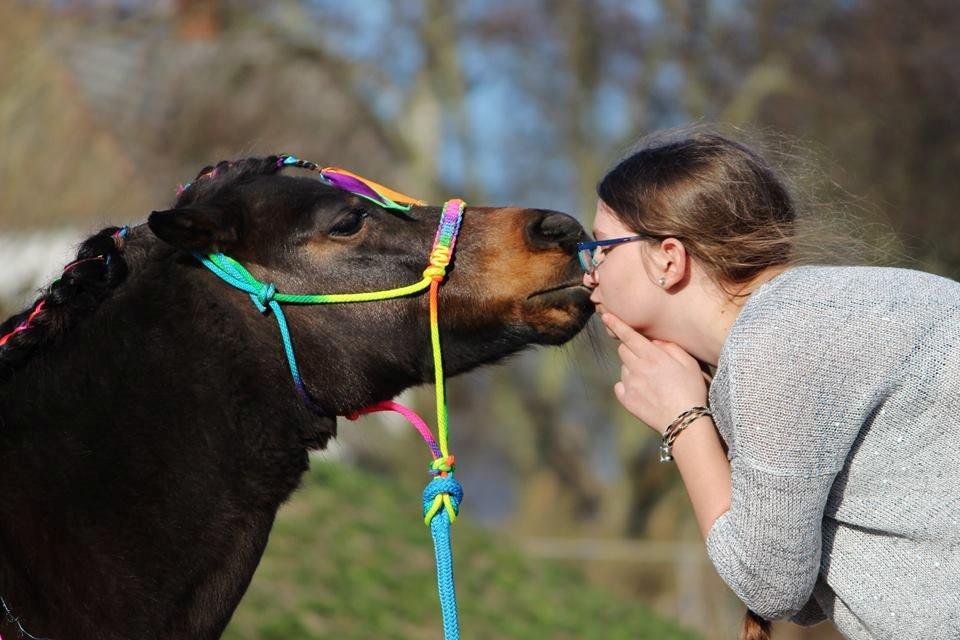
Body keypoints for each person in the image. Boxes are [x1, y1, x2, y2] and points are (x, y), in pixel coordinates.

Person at [578, 131, 960, 640]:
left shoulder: (779, 336)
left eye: (600, 249)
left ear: (669, 258)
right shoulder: (804, 318)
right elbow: (802, 594)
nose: (589, 277)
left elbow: (770, 584)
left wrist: (683, 421)